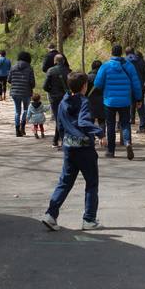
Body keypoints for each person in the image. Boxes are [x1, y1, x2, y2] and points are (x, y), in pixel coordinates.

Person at [40, 72, 105, 231]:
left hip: (69, 147)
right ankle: (89, 219)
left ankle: (51, 214)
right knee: (91, 183)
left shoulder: (63, 102)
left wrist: (64, 140)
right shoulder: (84, 102)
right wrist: (99, 132)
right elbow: (83, 122)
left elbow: (60, 125)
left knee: (65, 182)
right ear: (85, 86)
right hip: (84, 148)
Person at [93, 44, 142, 159]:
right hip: (125, 101)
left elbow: (97, 84)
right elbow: (136, 84)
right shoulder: (129, 66)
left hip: (109, 101)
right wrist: (138, 98)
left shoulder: (105, 67)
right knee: (125, 123)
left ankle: (111, 151)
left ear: (112, 52)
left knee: (110, 125)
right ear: (121, 53)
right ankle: (127, 143)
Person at [42, 53, 70, 148]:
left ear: (55, 61)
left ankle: (61, 140)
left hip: (54, 98)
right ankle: (56, 140)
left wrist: (51, 91)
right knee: (63, 118)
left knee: (58, 119)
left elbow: (45, 86)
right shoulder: (69, 71)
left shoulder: (50, 71)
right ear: (64, 61)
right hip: (66, 98)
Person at [9, 50, 36, 135]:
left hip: (15, 92)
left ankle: (17, 130)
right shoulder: (29, 68)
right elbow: (32, 82)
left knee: (17, 111)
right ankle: (22, 127)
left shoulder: (13, 67)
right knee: (25, 110)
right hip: (26, 92)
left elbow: (9, 80)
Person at [126, 47, 145, 131]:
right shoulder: (141, 60)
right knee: (140, 106)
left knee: (126, 106)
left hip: (128, 87)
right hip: (140, 86)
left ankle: (124, 127)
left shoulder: (125, 61)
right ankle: (142, 127)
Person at [87, 60, 106, 144]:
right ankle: (102, 138)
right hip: (102, 101)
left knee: (90, 121)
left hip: (90, 101)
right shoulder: (104, 77)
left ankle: (91, 139)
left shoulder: (87, 77)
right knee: (102, 121)